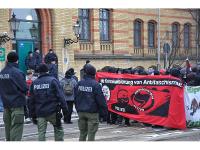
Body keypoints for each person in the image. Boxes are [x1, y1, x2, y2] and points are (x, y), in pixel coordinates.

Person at [28, 64, 68, 141]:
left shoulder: (34, 83)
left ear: (39, 72)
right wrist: (65, 111)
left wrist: (32, 115)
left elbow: (31, 100)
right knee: (58, 130)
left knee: (41, 133)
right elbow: (61, 96)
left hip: (40, 112)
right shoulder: (53, 80)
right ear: (47, 71)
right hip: (53, 111)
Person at [75, 64, 108, 141]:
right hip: (92, 113)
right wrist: (104, 114)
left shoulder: (79, 83)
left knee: (82, 133)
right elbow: (101, 101)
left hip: (81, 112)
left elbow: (76, 97)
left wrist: (78, 108)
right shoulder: (96, 85)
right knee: (91, 134)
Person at [0, 52, 28, 141]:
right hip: (17, 105)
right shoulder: (17, 72)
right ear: (17, 61)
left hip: (6, 105)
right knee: (16, 130)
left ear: (7, 60)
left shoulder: (2, 72)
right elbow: (24, 88)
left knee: (8, 131)